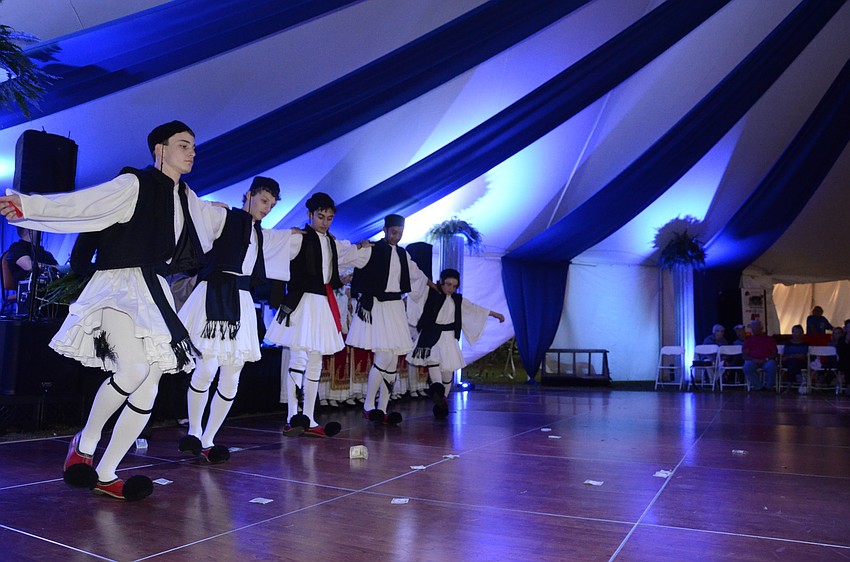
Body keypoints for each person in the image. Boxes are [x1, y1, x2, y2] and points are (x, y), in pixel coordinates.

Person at [0, 121, 227, 500]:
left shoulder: (188, 197)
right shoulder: (133, 183)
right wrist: (30, 205)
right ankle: (84, 444)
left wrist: (244, 221)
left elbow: (216, 222)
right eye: (183, 145)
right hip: (119, 287)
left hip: (155, 291)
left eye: (193, 146)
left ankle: (107, 472)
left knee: (149, 388)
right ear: (159, 148)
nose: (191, 152)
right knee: (134, 369)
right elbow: (86, 204)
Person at [177, 177, 297, 462]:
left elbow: (281, 246)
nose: (267, 208)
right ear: (249, 195)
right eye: (264, 201)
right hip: (216, 293)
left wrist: (297, 233)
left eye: (271, 204)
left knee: (232, 374)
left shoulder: (260, 232)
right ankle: (194, 432)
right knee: (206, 368)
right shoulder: (225, 216)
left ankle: (209, 439)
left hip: (242, 300)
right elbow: (194, 210)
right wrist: (205, 201)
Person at [265, 192, 366, 437]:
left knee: (315, 362)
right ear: (309, 215)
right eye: (320, 216)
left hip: (321, 305)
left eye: (329, 218)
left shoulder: (332, 242)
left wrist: (361, 247)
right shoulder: (298, 238)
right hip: (301, 303)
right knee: (298, 359)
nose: (325, 222)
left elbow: (335, 267)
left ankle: (309, 418)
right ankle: (291, 417)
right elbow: (270, 249)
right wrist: (286, 234)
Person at [346, 214, 431, 425]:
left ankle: (382, 408)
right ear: (385, 230)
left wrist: (432, 285)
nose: (396, 237)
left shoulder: (404, 255)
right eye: (394, 232)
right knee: (383, 357)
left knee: (392, 360)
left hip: (394, 308)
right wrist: (357, 247)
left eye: (400, 234)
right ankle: (368, 405)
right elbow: (347, 258)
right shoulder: (372, 250)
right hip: (378, 307)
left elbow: (417, 276)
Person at [407, 268, 505, 418]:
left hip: (449, 338)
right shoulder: (430, 294)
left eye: (454, 286)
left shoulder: (458, 300)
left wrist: (495, 314)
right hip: (431, 336)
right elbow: (417, 289)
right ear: (441, 282)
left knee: (447, 375)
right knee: (434, 366)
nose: (450, 288)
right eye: (448, 284)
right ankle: (437, 392)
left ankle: (441, 401)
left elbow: (475, 309)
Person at [742, 319, 777, 392]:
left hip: (767, 360)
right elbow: (745, 355)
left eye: (757, 327)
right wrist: (753, 359)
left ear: (761, 328)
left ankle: (768, 387)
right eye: (753, 327)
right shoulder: (748, 340)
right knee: (747, 367)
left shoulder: (769, 339)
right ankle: (759, 387)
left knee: (772, 365)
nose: (755, 329)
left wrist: (766, 359)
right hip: (753, 361)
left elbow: (774, 353)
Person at [780, 324, 808, 392]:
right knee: (793, 363)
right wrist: (794, 356)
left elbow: (802, 356)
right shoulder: (788, 343)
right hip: (788, 362)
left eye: (798, 332)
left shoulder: (804, 344)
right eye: (795, 332)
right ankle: (799, 377)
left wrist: (792, 356)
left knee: (793, 363)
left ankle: (789, 386)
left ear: (802, 333)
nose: (796, 334)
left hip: (800, 363)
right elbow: (785, 356)